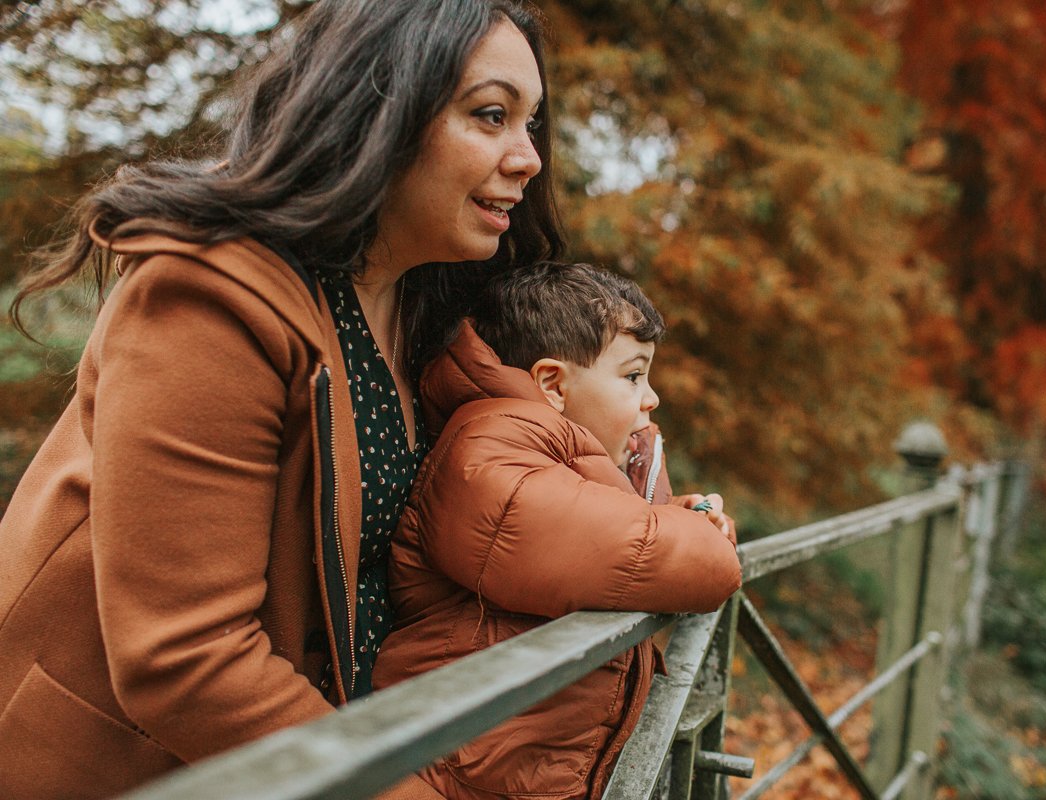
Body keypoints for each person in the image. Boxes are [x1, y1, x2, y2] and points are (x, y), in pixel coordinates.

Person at [0, 1, 560, 798]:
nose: (528, 157)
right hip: (140, 771)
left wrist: (642, 486)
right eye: (492, 115)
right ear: (380, 112)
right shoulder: (210, 296)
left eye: (531, 125)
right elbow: (186, 660)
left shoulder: (424, 310)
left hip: (325, 758)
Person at [372, 262, 743, 800]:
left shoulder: (547, 456)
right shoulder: (489, 456)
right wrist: (699, 537)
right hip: (454, 780)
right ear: (552, 384)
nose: (651, 397)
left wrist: (687, 511)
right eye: (633, 375)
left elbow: (614, 525)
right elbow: (691, 563)